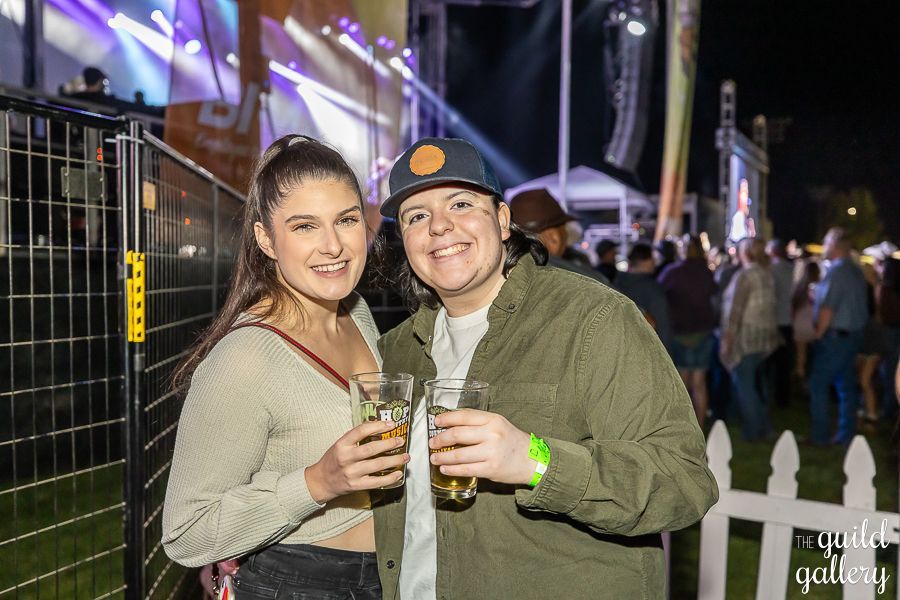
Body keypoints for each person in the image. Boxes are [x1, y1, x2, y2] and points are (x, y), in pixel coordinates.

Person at [373, 137, 718, 599]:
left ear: (502, 220)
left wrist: (535, 461)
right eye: (417, 216)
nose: (439, 226)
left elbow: (684, 483)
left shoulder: (593, 318)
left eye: (460, 203)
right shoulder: (395, 351)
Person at [162, 135, 408, 599]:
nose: (333, 245)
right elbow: (186, 532)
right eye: (304, 226)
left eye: (346, 220)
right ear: (265, 239)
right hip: (298, 583)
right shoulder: (245, 358)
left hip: (387, 574)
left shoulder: (355, 312)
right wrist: (318, 482)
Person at [809, 227, 869, 446]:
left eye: (826, 242)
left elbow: (828, 308)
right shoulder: (855, 270)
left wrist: (818, 334)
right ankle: (846, 434)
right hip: (851, 337)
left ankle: (820, 436)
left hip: (836, 338)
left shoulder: (838, 272)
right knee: (846, 387)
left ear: (835, 246)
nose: (824, 247)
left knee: (818, 384)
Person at [720, 238, 781, 441]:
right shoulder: (766, 275)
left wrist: (727, 339)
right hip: (763, 339)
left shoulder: (745, 276)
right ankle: (764, 427)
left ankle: (754, 431)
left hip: (745, 338)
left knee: (745, 388)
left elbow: (734, 311)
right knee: (753, 386)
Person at [658, 234, 718, 427]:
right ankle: (699, 426)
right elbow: (713, 297)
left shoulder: (672, 272)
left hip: (680, 332)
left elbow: (660, 295)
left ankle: (683, 428)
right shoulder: (706, 272)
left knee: (682, 383)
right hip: (703, 331)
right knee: (699, 383)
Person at [508, 188, 609, 285]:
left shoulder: (502, 276)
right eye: (564, 232)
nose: (566, 243)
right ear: (554, 238)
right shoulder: (592, 283)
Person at [615, 242, 674, 355]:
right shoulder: (652, 288)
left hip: (622, 348)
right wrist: (666, 355)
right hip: (647, 351)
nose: (654, 263)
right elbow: (662, 323)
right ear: (645, 261)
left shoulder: (616, 283)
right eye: (652, 259)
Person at [766, 239, 794, 406]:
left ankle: (772, 397)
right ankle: (783, 398)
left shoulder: (772, 270)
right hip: (787, 321)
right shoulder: (791, 268)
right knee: (784, 364)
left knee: (771, 364)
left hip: (775, 321)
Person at [791, 260, 821, 381]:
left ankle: (800, 378)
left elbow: (793, 307)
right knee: (815, 355)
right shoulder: (819, 287)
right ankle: (811, 379)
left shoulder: (799, 287)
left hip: (799, 324)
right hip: (813, 324)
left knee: (800, 355)